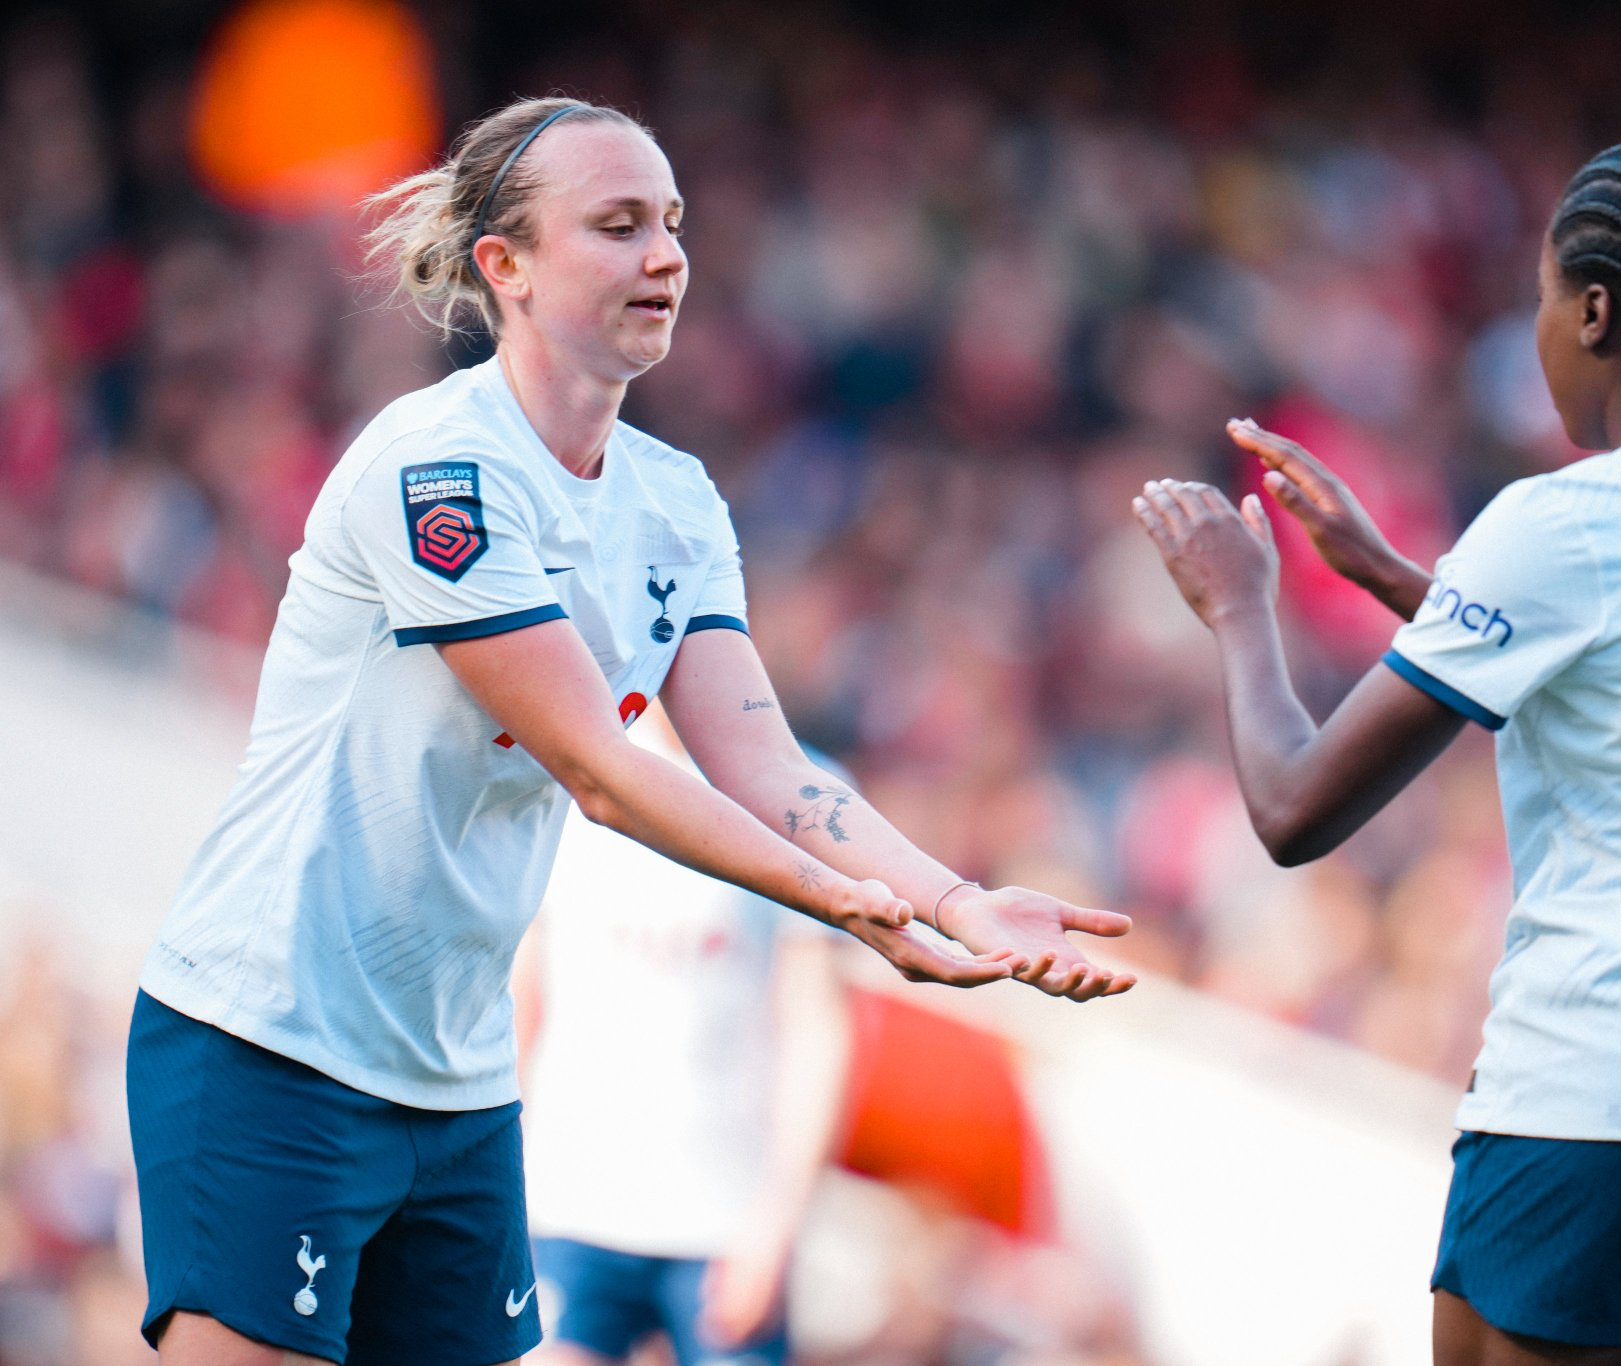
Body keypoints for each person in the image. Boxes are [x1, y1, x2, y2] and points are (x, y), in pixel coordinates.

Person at [126, 95, 1134, 1366]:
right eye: (617, 226)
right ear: (506, 267)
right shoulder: (437, 468)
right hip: (267, 1041)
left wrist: (950, 896)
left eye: (671, 224)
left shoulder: (675, 501)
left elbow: (762, 759)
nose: (666, 256)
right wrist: (848, 908)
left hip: (457, 1080)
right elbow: (600, 770)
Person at [1135, 138, 1621, 1366]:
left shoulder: (1561, 521)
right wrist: (1406, 585)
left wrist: (1242, 608)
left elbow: (1292, 810)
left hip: (1608, 1085)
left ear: (1595, 309)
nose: (1543, 328)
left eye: (1546, 299)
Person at [514, 715, 855, 1366]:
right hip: (565, 1204)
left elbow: (815, 1029)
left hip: (722, 1218)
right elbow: (520, 1000)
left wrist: (778, 1224)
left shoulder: (799, 795)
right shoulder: (565, 771)